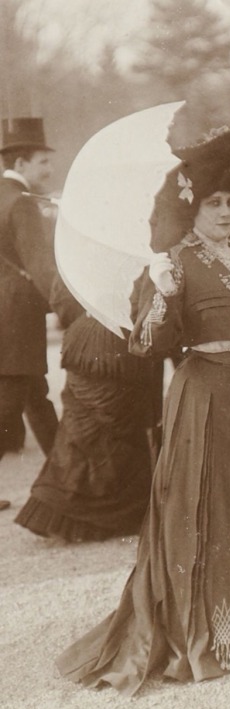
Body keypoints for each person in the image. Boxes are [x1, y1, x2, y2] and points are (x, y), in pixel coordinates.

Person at [56, 125, 230, 695]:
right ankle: (209, 634)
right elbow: (148, 347)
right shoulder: (171, 263)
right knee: (204, 509)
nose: (225, 212)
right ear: (192, 206)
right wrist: (163, 292)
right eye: (213, 203)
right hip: (200, 396)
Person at [14, 274, 162, 542]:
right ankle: (109, 516)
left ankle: (71, 510)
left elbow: (60, 300)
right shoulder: (135, 262)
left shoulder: (76, 262)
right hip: (116, 335)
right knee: (113, 422)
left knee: (84, 426)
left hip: (85, 331)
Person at [0, 117, 58, 485]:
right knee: (9, 405)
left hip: (6, 311)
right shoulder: (21, 203)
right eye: (43, 162)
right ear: (20, 164)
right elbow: (40, 265)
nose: (50, 170)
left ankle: (70, 479)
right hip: (18, 314)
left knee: (37, 396)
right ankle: (72, 479)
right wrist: (67, 305)